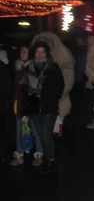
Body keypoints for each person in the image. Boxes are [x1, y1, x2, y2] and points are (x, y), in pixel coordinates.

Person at [21, 41, 64, 173]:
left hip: (48, 107)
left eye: (42, 52)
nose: (40, 54)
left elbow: (60, 86)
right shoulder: (29, 68)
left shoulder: (53, 67)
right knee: (40, 134)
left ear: (46, 53)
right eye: (37, 52)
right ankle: (47, 158)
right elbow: (24, 87)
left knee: (46, 135)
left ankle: (51, 160)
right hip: (34, 107)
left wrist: (51, 98)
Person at [9, 44, 44, 167]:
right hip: (18, 102)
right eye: (21, 51)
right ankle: (19, 154)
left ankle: (39, 154)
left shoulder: (32, 68)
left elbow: (33, 87)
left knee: (34, 128)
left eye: (24, 52)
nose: (21, 54)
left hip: (29, 103)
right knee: (19, 129)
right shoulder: (19, 67)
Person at [0, 46, 15, 163]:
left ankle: (6, 153)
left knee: (5, 129)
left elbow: (7, 86)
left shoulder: (3, 68)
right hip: (5, 103)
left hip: (4, 103)